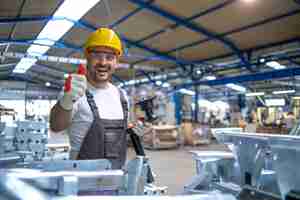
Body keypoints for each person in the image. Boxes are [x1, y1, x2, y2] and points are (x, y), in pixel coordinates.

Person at [50, 28, 128, 169]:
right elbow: (56, 126)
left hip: (116, 180)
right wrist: (67, 100)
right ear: (87, 58)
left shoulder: (121, 95)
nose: (103, 63)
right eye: (97, 56)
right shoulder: (75, 91)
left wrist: (134, 134)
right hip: (82, 181)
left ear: (116, 62)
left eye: (109, 57)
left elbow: (118, 139)